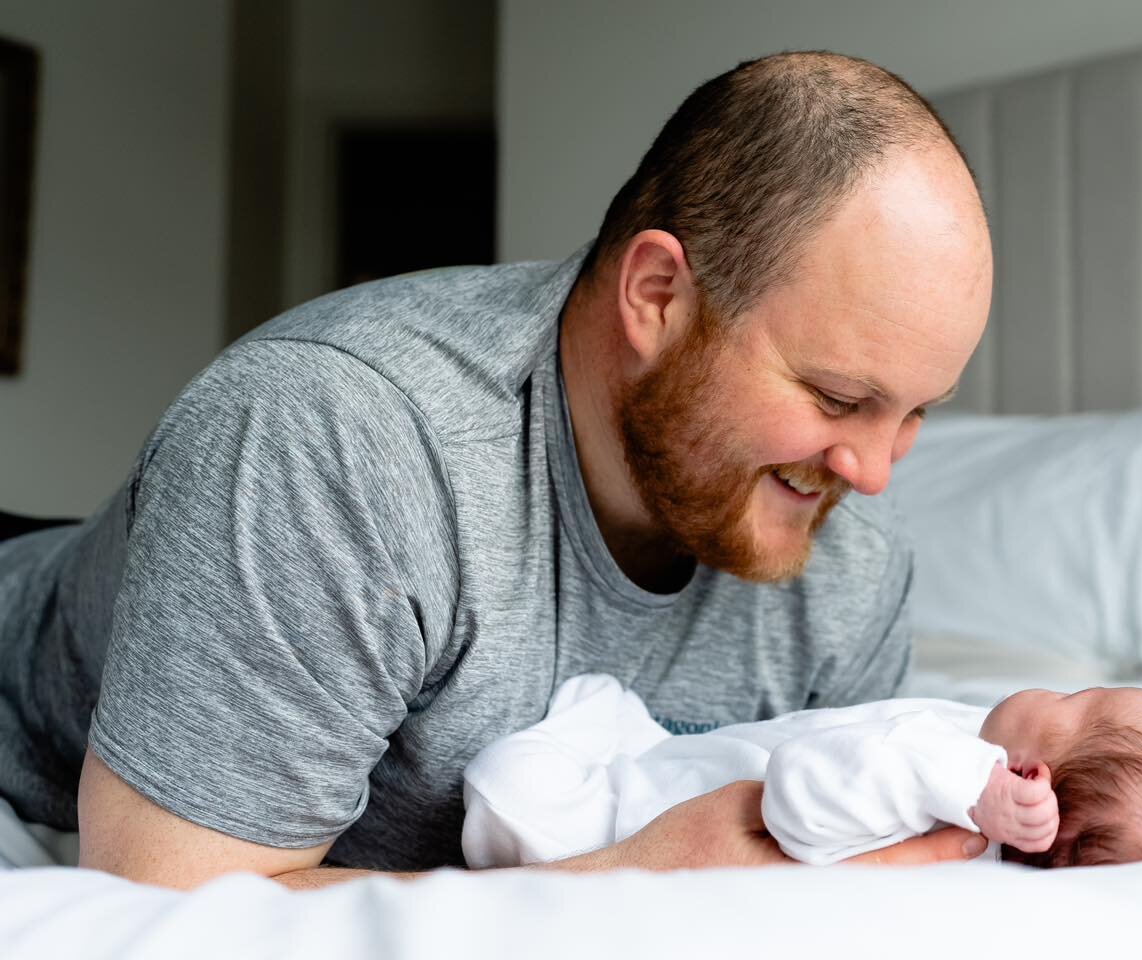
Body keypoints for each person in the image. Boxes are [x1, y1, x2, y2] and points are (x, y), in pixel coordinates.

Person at [0, 50, 993, 888]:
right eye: (834, 397)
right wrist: (632, 882)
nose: (872, 472)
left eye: (914, 415)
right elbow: (170, 908)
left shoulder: (853, 569)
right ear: (658, 296)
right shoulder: (335, 438)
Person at [462, 675, 1142, 870]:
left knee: (507, 784)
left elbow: (797, 791)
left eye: (1075, 698)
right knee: (630, 718)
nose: (1049, 687)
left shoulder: (948, 787)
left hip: (596, 820)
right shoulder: (953, 778)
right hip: (665, 761)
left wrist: (966, 784)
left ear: (1028, 776)